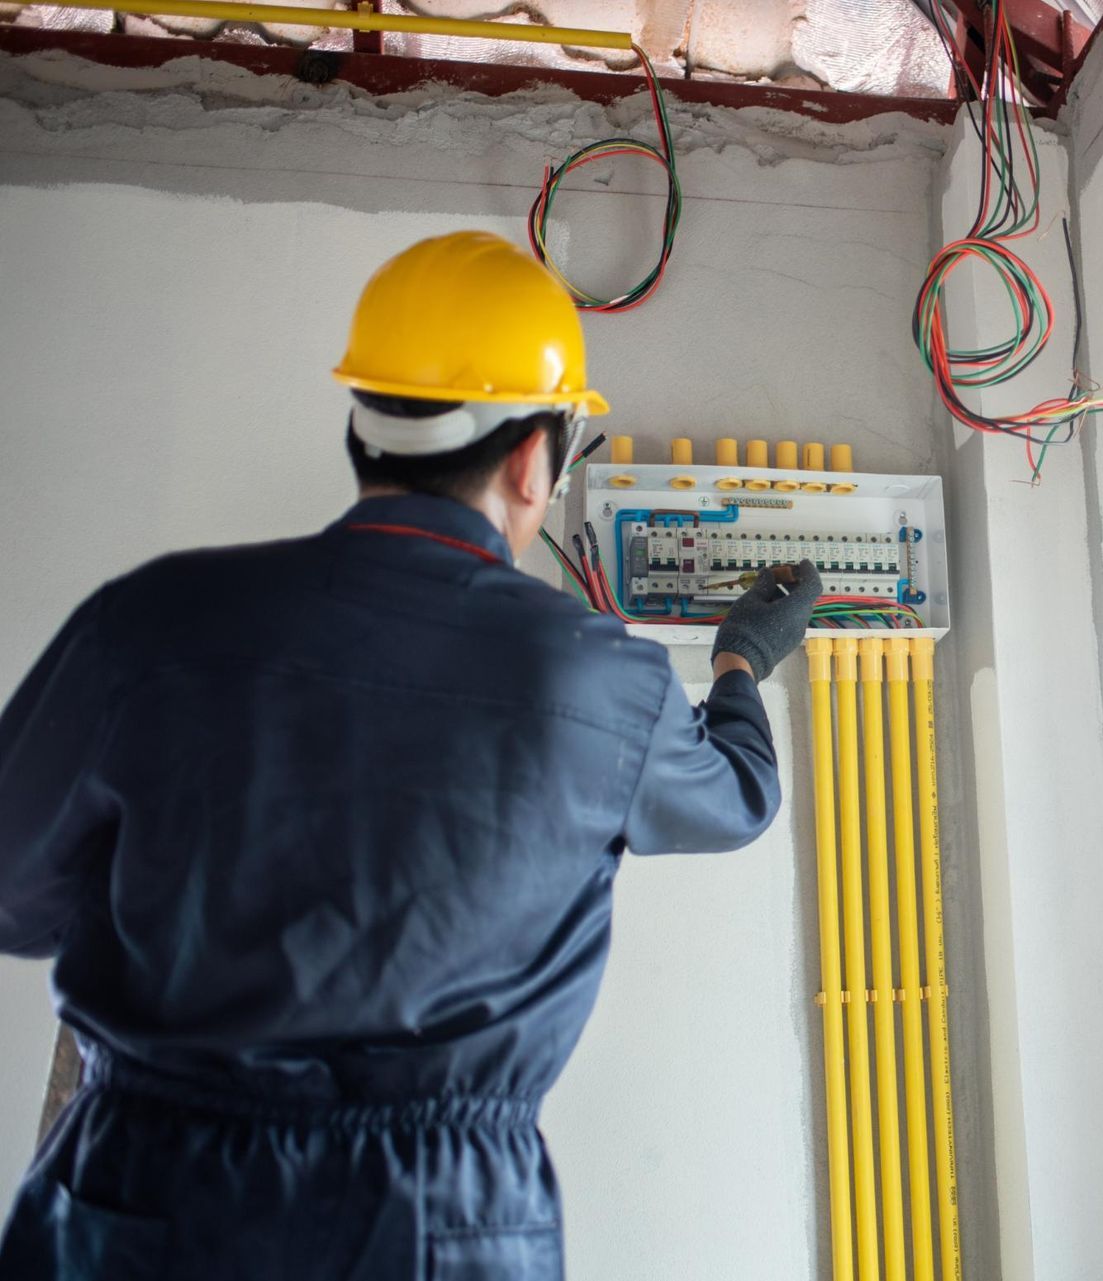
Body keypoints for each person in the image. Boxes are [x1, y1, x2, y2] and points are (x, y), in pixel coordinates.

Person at [0, 230, 821, 1280]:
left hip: (136, 1198)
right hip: (436, 1227)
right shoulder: (595, 681)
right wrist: (743, 661)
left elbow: (14, 894)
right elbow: (738, 797)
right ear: (535, 460)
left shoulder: (150, 620)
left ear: (366, 427)